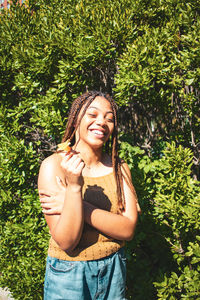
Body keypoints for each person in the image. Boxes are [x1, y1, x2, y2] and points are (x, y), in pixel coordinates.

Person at [38, 91, 139, 300]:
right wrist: (74, 186)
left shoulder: (120, 169)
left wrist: (76, 206)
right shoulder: (53, 166)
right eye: (92, 115)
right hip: (69, 275)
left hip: (114, 268)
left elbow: (128, 229)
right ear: (76, 119)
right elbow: (67, 242)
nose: (101, 122)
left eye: (109, 118)